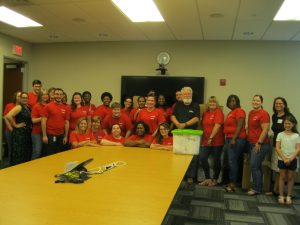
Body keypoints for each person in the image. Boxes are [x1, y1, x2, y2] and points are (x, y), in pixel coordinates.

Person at [171, 87, 200, 184]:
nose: (187, 96)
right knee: (179, 154)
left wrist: (185, 124)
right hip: (179, 134)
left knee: (191, 156)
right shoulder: (177, 105)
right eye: (185, 94)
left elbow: (196, 118)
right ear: (182, 95)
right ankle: (179, 175)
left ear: (191, 95)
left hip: (192, 134)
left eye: (189, 94)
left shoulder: (195, 105)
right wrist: (178, 124)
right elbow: (173, 116)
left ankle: (190, 176)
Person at [267, 97, 295, 196]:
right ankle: (276, 189)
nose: (278, 105)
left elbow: (294, 128)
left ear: (285, 105)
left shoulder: (288, 115)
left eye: (280, 103)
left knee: (283, 170)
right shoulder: (274, 116)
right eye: (276, 103)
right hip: (276, 146)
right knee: (277, 168)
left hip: (287, 147)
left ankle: (279, 191)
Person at [247, 95, 270, 196]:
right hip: (251, 142)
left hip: (261, 144)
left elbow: (265, 129)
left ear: (261, 102)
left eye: (258, 100)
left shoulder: (264, 114)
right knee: (257, 166)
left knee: (254, 165)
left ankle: (256, 188)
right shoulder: (251, 113)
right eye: (254, 100)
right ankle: (259, 187)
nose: (255, 102)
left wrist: (259, 142)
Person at [199, 96, 224, 187]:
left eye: (214, 102)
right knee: (202, 158)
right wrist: (204, 138)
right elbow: (202, 126)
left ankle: (215, 179)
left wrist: (211, 137)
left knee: (216, 160)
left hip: (217, 141)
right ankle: (207, 178)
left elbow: (217, 126)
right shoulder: (205, 113)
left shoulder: (218, 112)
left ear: (216, 103)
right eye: (210, 102)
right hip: (206, 141)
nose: (212, 104)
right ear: (208, 104)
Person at [223, 95, 247, 192]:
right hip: (229, 138)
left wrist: (234, 138)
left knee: (232, 161)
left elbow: (240, 126)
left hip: (237, 139)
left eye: (234, 101)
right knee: (232, 161)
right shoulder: (231, 112)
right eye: (230, 101)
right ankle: (233, 181)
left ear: (237, 102)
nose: (231, 103)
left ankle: (233, 183)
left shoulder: (239, 111)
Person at [276, 115, 300, 205]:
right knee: (282, 177)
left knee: (290, 178)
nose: (287, 125)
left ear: (293, 125)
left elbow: (298, 149)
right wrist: (284, 158)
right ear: (283, 124)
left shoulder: (296, 135)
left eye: (289, 124)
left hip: (292, 159)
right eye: (285, 123)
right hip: (282, 159)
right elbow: (278, 148)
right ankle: (281, 195)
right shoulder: (280, 134)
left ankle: (289, 196)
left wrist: (290, 159)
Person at [5, 92, 32, 166]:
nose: (25, 99)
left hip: (26, 133)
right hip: (19, 134)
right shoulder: (19, 107)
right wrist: (15, 125)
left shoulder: (27, 107)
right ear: (20, 99)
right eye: (23, 98)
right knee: (19, 153)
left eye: (26, 98)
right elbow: (8, 116)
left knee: (25, 152)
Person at [41, 88, 70, 156]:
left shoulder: (66, 107)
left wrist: (65, 136)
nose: (59, 96)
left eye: (60, 94)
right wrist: (44, 136)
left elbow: (66, 122)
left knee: (59, 154)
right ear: (53, 95)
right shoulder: (47, 106)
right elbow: (43, 121)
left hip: (61, 135)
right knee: (50, 154)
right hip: (50, 135)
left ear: (63, 96)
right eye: (57, 94)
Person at [3, 91, 21, 163]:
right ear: (15, 97)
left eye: (21, 96)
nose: (19, 98)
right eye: (18, 96)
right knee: (11, 148)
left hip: (20, 131)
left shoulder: (24, 106)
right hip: (10, 130)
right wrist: (10, 127)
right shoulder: (9, 105)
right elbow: (5, 117)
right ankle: (11, 163)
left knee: (18, 148)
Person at [31, 89, 49, 159]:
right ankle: (32, 168)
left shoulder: (49, 105)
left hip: (48, 132)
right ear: (40, 96)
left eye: (46, 94)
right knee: (37, 152)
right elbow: (33, 120)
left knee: (45, 152)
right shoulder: (36, 106)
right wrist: (43, 118)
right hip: (37, 133)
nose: (45, 96)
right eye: (43, 95)